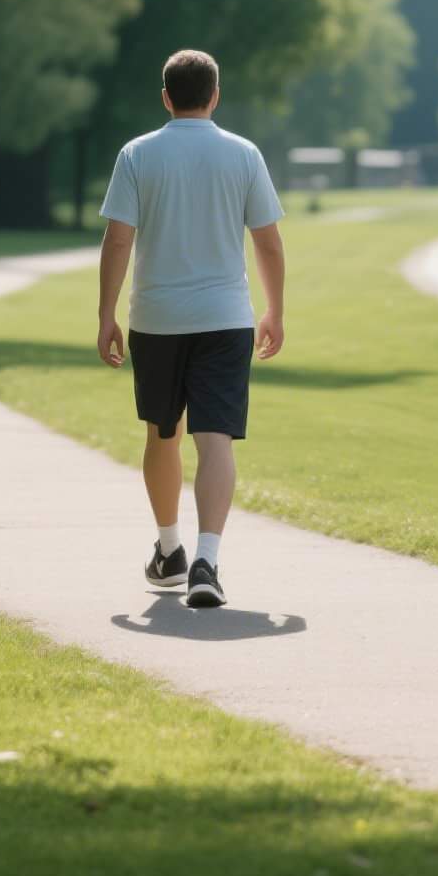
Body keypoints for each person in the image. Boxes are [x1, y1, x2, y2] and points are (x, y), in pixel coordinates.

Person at [96, 50, 285, 609]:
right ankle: (207, 558)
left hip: (156, 318)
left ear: (166, 97)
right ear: (215, 95)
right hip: (227, 317)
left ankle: (169, 549)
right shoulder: (243, 154)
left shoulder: (137, 154)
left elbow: (119, 239)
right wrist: (273, 310)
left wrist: (106, 314)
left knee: (162, 433)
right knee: (216, 439)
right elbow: (268, 241)